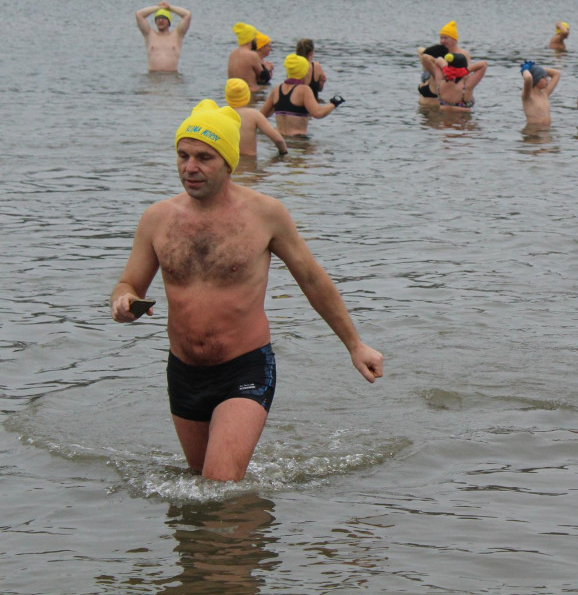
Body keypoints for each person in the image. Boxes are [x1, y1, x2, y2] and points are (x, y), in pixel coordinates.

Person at [109, 100, 383, 481]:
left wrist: (355, 344)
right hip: (184, 371)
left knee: (218, 485)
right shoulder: (157, 219)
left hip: (244, 367)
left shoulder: (265, 214)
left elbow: (311, 277)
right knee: (198, 489)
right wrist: (122, 302)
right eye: (183, 155)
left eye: (204, 157)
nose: (190, 168)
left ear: (228, 162)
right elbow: (129, 284)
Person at [260, 54, 344, 136]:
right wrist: (334, 103)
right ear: (304, 71)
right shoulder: (304, 90)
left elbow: (261, 115)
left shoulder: (277, 89)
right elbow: (318, 113)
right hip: (298, 142)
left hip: (279, 138)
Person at [225, 78, 288, 157]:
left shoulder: (219, 114)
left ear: (227, 96)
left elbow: (208, 135)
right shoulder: (254, 115)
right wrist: (283, 153)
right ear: (247, 95)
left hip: (229, 163)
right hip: (250, 163)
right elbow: (278, 140)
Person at [135, 1, 191, 72]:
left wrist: (170, 8)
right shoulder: (149, 34)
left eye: (164, 18)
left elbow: (187, 15)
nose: (160, 20)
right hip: (153, 77)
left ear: (169, 21)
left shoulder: (177, 35)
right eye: (158, 18)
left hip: (172, 76)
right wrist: (158, 7)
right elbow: (139, 14)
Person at [520, 61, 561, 126]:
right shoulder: (528, 96)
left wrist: (537, 68)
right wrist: (525, 69)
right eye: (543, 77)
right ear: (536, 79)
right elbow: (528, 78)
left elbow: (557, 73)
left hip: (546, 131)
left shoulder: (545, 93)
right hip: (533, 132)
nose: (547, 80)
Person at [228, 23, 266, 92]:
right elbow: (263, 77)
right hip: (249, 94)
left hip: (232, 93)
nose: (256, 40)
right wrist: (266, 67)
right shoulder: (252, 55)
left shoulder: (232, 54)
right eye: (255, 38)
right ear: (251, 39)